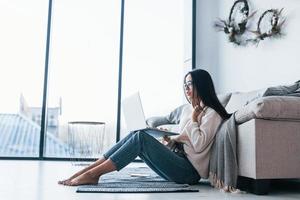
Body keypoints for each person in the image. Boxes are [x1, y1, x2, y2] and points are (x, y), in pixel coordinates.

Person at [58, 69, 231, 186]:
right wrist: (171, 140)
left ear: (201, 85)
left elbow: (199, 144)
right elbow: (188, 142)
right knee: (136, 133)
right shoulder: (189, 110)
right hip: (178, 160)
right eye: (185, 85)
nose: (186, 88)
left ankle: (94, 175)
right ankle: (89, 170)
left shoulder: (212, 113)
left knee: (140, 138)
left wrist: (194, 120)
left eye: (190, 84)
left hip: (189, 172)